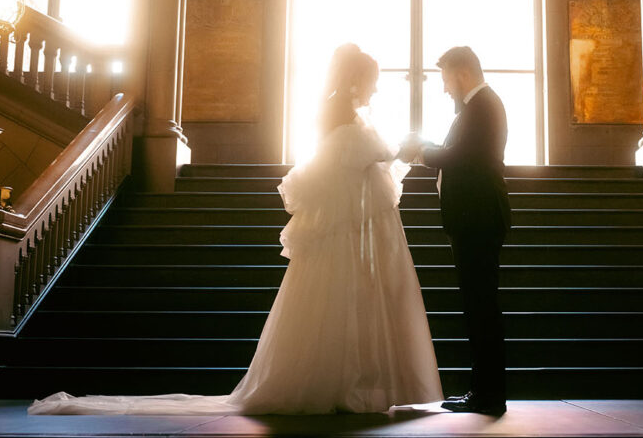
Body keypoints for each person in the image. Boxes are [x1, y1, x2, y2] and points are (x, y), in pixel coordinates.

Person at [29, 44, 443, 415]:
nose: (375, 90)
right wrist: (405, 148)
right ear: (356, 81)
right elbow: (366, 158)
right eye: (371, 81)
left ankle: (347, 381)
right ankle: (345, 383)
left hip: (348, 232)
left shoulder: (341, 117)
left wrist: (393, 151)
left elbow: (361, 163)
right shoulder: (349, 124)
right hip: (347, 234)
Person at [400, 46, 510, 416]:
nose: (445, 88)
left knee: (481, 308)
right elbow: (459, 151)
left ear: (462, 74)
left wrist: (420, 152)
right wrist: (427, 149)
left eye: (446, 80)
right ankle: (485, 390)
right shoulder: (477, 108)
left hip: (477, 218)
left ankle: (488, 394)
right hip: (472, 218)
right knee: (478, 307)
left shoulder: (482, 107)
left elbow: (463, 155)